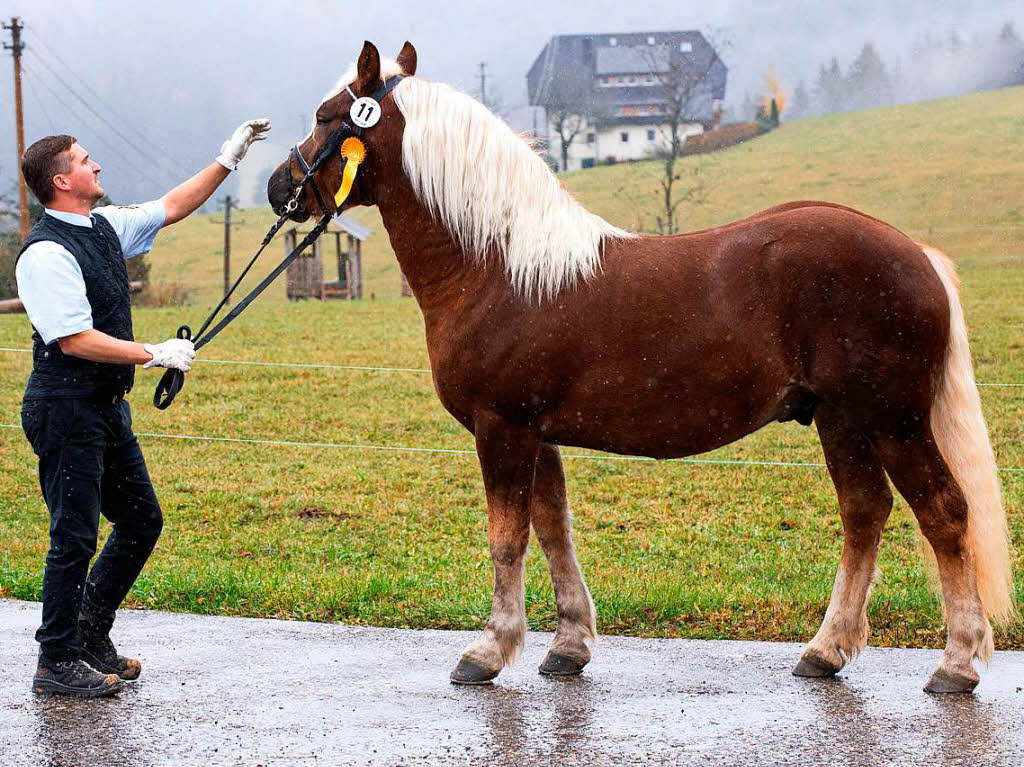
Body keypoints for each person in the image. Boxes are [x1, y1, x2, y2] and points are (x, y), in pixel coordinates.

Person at [16, 119, 270, 697]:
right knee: (73, 537)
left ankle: (88, 633)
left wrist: (228, 157)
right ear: (62, 180)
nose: (96, 165)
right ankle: (55, 662)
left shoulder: (102, 227)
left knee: (140, 520)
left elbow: (173, 206)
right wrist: (153, 353)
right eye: (85, 160)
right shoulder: (45, 255)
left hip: (104, 408)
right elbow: (74, 338)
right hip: (64, 409)